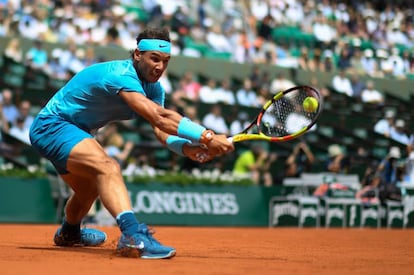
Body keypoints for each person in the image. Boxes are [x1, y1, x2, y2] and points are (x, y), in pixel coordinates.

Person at [29, 27, 234, 259]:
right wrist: (206, 136)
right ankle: (133, 236)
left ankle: (69, 233)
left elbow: (160, 130)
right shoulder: (120, 74)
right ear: (138, 54)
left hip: (76, 131)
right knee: (108, 167)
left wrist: (187, 148)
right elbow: (160, 117)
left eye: (165, 61)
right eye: (154, 59)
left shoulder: (154, 89)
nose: (160, 67)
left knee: (89, 189)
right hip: (52, 125)